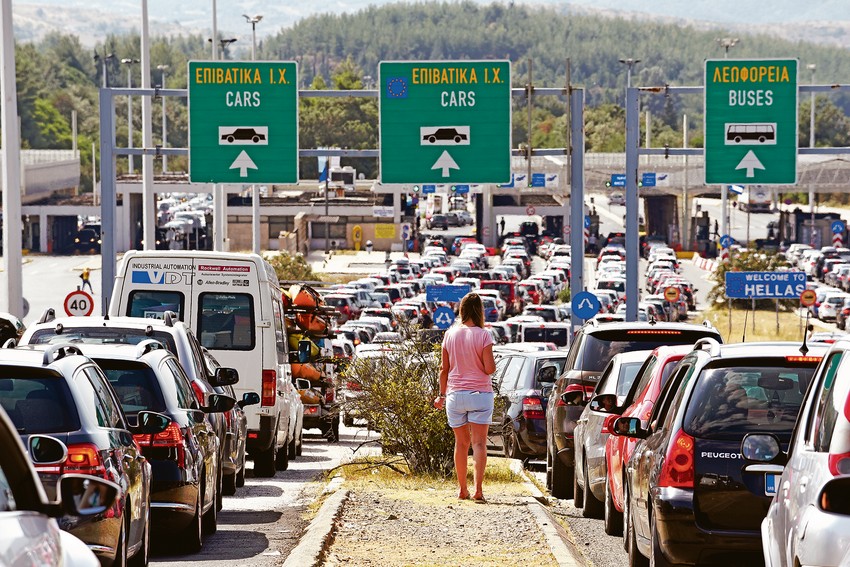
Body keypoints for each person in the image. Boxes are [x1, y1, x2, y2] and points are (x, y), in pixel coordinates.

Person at [434, 293, 497, 502]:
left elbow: (444, 369)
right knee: (479, 443)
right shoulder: (483, 335)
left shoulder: (450, 334)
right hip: (480, 395)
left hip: (454, 396)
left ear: (461, 310)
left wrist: (441, 396)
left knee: (461, 444)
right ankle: (478, 490)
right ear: (480, 311)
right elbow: (489, 369)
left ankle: (462, 489)